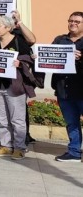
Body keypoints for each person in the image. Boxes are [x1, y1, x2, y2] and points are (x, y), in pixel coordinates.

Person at [0, 15, 36, 160]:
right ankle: (6, 146)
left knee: (17, 119)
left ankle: (19, 147)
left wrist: (20, 63)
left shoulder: (19, 40)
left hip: (14, 84)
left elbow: (30, 59)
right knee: (1, 118)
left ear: (8, 28)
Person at [52, 11, 83, 162]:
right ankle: (74, 152)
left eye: (77, 22)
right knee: (72, 123)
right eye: (71, 21)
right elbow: (49, 56)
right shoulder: (60, 40)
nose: (73, 24)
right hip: (64, 89)